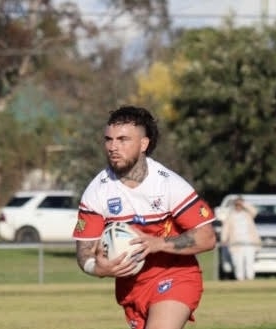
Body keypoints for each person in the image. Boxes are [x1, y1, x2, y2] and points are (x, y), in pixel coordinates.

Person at [72, 105, 217, 329]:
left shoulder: (169, 184)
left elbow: (207, 238)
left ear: (143, 144)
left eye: (123, 139)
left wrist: (157, 243)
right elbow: (84, 251)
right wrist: (97, 268)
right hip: (131, 288)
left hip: (176, 277)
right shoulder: (97, 191)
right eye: (109, 139)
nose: (113, 147)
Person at [220, 195, 260, 281]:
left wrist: (244, 203)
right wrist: (223, 239)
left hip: (249, 242)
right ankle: (240, 279)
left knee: (249, 262)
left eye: (240, 204)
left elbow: (255, 211)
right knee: (238, 263)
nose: (239, 206)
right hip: (236, 243)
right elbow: (225, 229)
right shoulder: (230, 216)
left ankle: (250, 279)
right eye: (237, 204)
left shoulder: (247, 214)